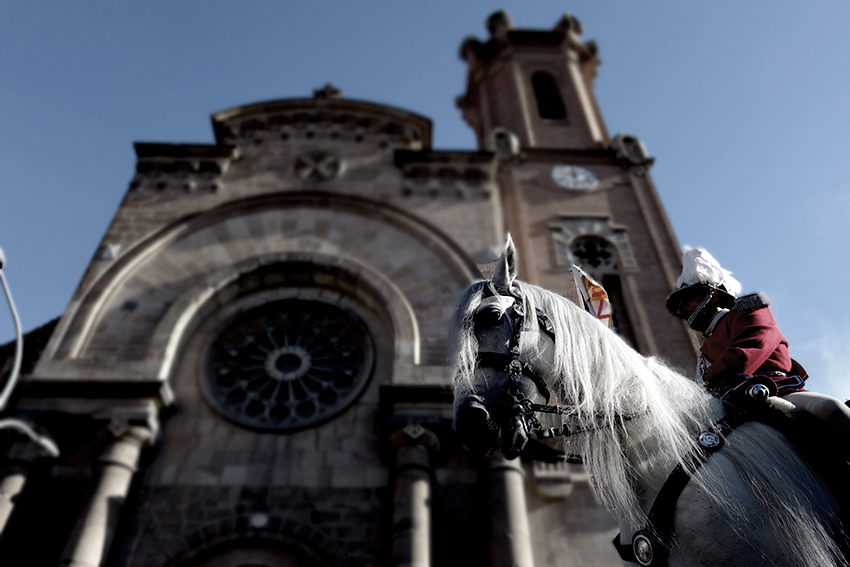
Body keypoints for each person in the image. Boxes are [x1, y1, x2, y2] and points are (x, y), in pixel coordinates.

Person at [666, 248, 850, 441]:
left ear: (712, 295)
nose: (681, 309)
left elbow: (746, 352)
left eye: (686, 300)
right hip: (731, 407)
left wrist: (703, 383)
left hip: (778, 391)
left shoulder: (749, 309)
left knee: (831, 410)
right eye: (678, 307)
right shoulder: (704, 352)